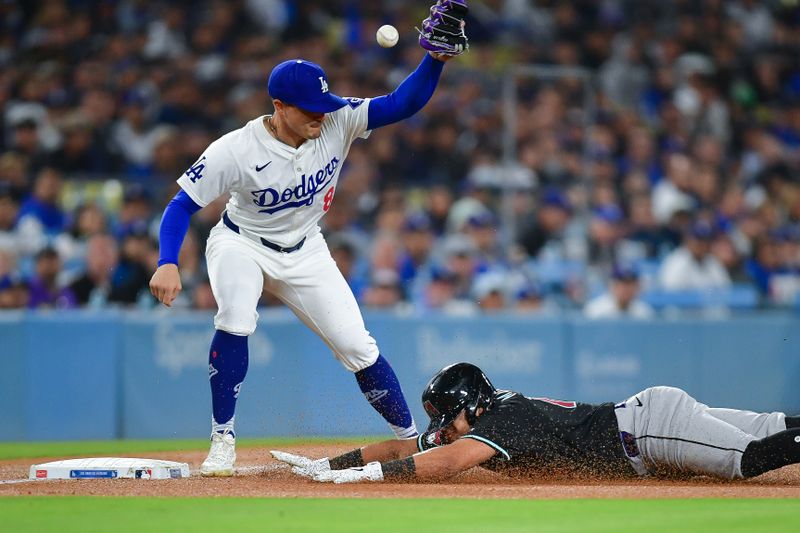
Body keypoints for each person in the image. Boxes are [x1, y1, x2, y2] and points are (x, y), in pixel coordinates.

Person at [147, 1, 470, 476]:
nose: (323, 115)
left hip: (307, 248)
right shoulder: (235, 149)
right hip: (242, 243)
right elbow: (180, 206)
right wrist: (168, 259)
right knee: (235, 316)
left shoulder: (336, 118)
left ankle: (410, 440)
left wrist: (434, 61)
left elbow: (402, 104)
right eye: (310, 109)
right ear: (279, 107)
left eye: (325, 104)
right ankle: (222, 440)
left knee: (358, 347)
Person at [273, 362, 800, 483]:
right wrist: (328, 464)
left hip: (649, 431)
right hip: (648, 423)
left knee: (750, 458)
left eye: (448, 416)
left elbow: (451, 459)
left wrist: (362, 479)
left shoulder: (507, 417)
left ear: (472, 406)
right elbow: (406, 448)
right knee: (772, 424)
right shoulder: (488, 411)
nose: (445, 427)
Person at [584, 264, 654, 319]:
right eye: (622, 283)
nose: (626, 288)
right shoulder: (595, 310)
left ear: (637, 286)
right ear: (612, 285)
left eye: (631, 283)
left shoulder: (644, 312)